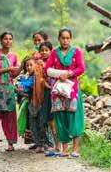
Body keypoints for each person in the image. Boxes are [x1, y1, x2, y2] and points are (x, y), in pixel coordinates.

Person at [44, 28, 85, 158]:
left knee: (74, 117)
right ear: (59, 39)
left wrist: (69, 73)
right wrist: (59, 74)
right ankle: (64, 149)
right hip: (58, 90)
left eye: (68, 38)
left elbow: (81, 68)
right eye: (63, 38)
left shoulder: (76, 51)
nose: (65, 40)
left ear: (70, 39)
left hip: (72, 89)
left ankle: (76, 149)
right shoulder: (54, 53)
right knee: (60, 117)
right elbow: (47, 69)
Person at [0, 32, 22, 152]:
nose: (8, 41)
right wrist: (7, 69)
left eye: (10, 39)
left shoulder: (14, 56)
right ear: (1, 41)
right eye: (5, 39)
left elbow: (14, 74)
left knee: (10, 117)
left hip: (8, 88)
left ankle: (10, 143)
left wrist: (21, 66)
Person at [18, 58, 49, 153]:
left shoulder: (39, 76)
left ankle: (44, 143)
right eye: (27, 66)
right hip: (32, 104)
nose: (29, 67)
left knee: (41, 123)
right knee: (32, 124)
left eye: (31, 65)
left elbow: (46, 87)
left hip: (41, 104)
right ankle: (38, 144)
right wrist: (22, 93)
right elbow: (27, 93)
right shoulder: (27, 78)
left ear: (36, 65)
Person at [39, 41, 60, 156]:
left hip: (55, 92)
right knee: (51, 121)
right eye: (42, 50)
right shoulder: (39, 64)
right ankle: (56, 145)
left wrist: (52, 87)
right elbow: (40, 80)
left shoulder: (55, 63)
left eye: (46, 50)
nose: (44, 52)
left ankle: (59, 145)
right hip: (46, 94)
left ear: (51, 51)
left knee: (56, 120)